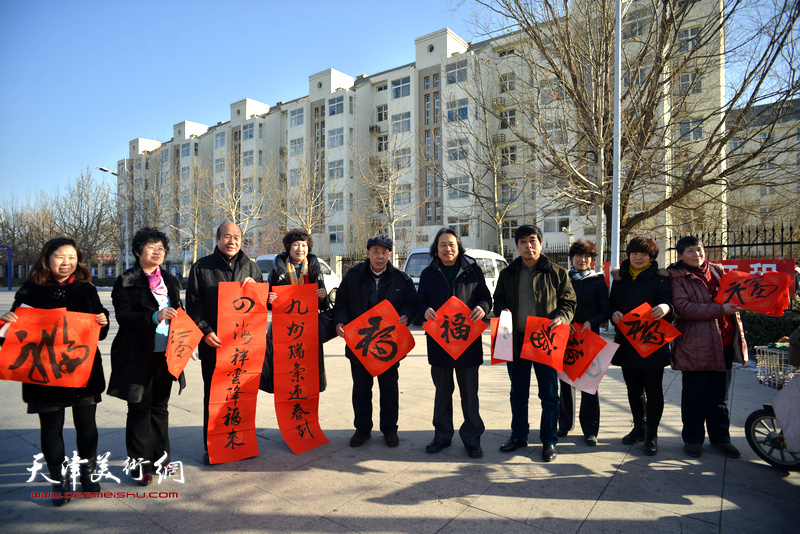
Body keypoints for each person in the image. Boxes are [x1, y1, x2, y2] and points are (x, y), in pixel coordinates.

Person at [0, 238, 109, 506]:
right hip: (45, 376)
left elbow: (100, 332)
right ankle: (58, 482)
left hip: (82, 373)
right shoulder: (30, 290)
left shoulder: (86, 289)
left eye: (72, 257)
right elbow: (11, 336)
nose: (66, 262)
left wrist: (102, 319)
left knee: (86, 426)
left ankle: (88, 474)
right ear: (47, 259)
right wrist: (6, 321)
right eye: (60, 256)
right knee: (51, 429)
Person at [107, 228, 186, 486]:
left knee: (160, 409)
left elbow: (181, 315)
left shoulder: (171, 281)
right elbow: (123, 317)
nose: (157, 252)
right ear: (138, 251)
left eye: (161, 248)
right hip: (138, 354)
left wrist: (189, 343)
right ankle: (139, 466)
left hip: (167, 354)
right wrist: (154, 316)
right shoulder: (127, 281)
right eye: (151, 247)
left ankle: (161, 461)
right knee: (139, 409)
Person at [493, 225, 576, 462]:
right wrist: (502, 310)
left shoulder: (557, 272)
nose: (528, 246)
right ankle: (519, 435)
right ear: (516, 246)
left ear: (541, 243)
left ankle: (549, 440)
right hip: (516, 341)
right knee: (518, 392)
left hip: (545, 341)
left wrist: (562, 317)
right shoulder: (508, 273)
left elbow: (569, 302)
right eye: (523, 242)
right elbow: (497, 300)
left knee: (549, 394)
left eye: (533, 241)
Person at [185, 221, 262, 464]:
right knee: (215, 396)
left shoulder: (251, 268)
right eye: (227, 236)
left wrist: (258, 290)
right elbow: (193, 304)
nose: (232, 241)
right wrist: (205, 331)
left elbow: (262, 306)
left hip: (243, 347)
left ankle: (242, 442)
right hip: (214, 345)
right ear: (217, 239)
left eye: (237, 237)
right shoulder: (202, 267)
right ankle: (215, 446)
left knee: (242, 395)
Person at [415, 228, 492, 458]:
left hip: (467, 342)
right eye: (442, 245)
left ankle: (472, 438)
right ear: (436, 250)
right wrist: (424, 310)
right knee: (442, 392)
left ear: (458, 247)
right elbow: (419, 302)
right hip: (439, 343)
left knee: (470, 394)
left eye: (451, 244)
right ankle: (442, 436)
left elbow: (486, 297)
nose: (447, 249)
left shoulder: (472, 270)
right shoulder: (429, 273)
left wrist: (483, 308)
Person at [668, 236, 747, 458]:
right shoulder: (677, 277)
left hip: (724, 342)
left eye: (699, 250)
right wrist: (721, 309)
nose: (697, 255)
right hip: (695, 345)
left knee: (719, 396)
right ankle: (693, 440)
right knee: (694, 395)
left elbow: (739, 295)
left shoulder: (719, 271)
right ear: (680, 255)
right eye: (691, 251)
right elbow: (684, 309)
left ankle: (721, 439)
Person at [333, 236, 416, 448]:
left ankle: (390, 430)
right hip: (360, 344)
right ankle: (362, 429)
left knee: (389, 387)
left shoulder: (401, 279)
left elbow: (411, 304)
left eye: (384, 252)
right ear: (368, 253)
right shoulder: (352, 277)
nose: (380, 256)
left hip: (388, 345)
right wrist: (340, 321)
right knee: (361, 388)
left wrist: (407, 315)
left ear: (390, 255)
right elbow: (341, 302)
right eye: (375, 251)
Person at [610, 236, 672, 456]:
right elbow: (612, 305)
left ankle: (651, 434)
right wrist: (613, 314)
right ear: (628, 255)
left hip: (652, 343)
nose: (638, 258)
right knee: (633, 389)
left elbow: (671, 305)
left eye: (643, 254)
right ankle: (639, 427)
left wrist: (665, 307)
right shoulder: (619, 279)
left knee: (653, 390)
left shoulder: (661, 279)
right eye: (634, 253)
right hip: (627, 342)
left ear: (651, 257)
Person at [261, 228, 329, 393]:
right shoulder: (277, 271)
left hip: (308, 330)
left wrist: (323, 296)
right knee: (285, 370)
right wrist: (269, 300)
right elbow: (268, 303)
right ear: (288, 247)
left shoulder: (315, 270)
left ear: (309, 248)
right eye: (296, 245)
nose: (300, 249)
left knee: (305, 370)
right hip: (284, 328)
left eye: (304, 245)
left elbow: (324, 306)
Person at [557, 239, 611, 446]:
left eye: (588, 256)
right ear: (572, 258)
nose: (583, 260)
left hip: (589, 337)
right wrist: (565, 320)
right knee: (565, 381)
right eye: (579, 255)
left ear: (592, 259)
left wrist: (591, 322)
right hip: (566, 335)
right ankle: (564, 424)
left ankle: (590, 429)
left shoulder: (598, 280)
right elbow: (557, 304)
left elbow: (605, 309)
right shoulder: (564, 278)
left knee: (590, 384)